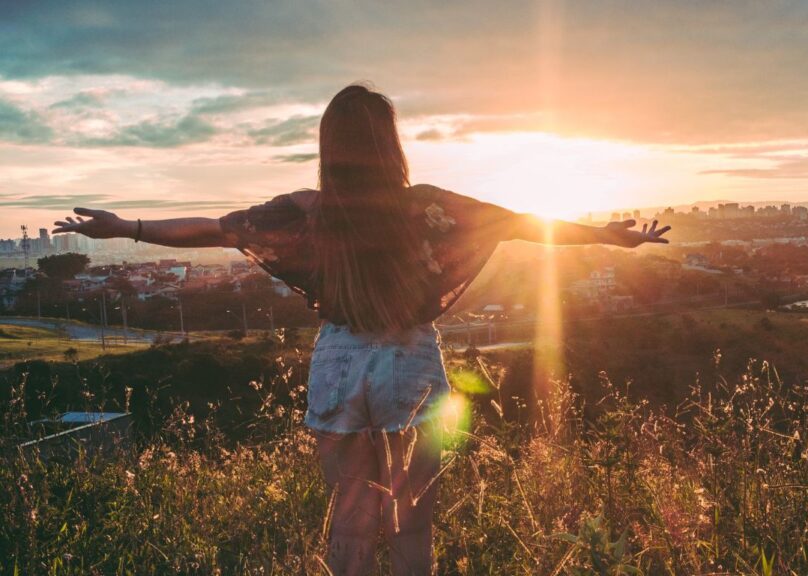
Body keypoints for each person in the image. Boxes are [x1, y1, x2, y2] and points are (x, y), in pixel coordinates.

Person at [52, 84, 670, 575]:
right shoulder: (428, 205)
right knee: (411, 518)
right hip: (410, 358)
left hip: (338, 359)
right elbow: (523, 223)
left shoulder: (306, 210)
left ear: (330, 146)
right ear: (389, 144)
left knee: (349, 514)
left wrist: (126, 226)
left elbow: (214, 227)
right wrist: (610, 236)